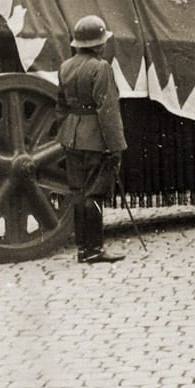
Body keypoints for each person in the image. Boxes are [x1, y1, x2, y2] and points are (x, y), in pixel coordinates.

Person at [56, 15, 127, 264]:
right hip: (95, 138)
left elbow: (61, 106)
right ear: (97, 44)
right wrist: (115, 146)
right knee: (94, 193)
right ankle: (95, 249)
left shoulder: (65, 67)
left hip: (71, 136)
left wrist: (67, 131)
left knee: (78, 192)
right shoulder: (100, 67)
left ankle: (83, 248)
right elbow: (107, 110)